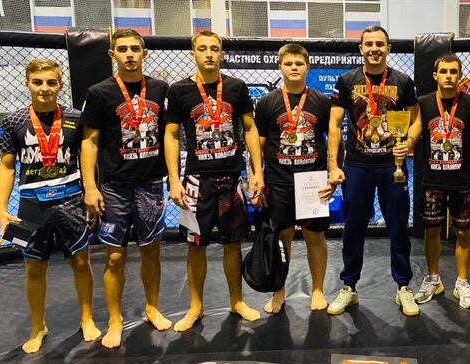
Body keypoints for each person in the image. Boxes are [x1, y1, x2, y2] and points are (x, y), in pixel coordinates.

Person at [165, 31, 264, 331]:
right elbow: (171, 135)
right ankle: (196, 306)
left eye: (214, 49)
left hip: (232, 178)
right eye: (202, 48)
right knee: (195, 246)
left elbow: (250, 128)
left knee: (233, 243)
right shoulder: (179, 90)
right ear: (192, 53)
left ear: (222, 54)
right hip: (197, 181)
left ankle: (236, 301)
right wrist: (173, 179)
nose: (209, 54)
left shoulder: (236, 87)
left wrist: (257, 171)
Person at [0, 58, 100, 353]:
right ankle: (38, 327)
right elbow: (7, 167)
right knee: (33, 267)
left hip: (71, 200)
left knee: (81, 261)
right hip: (30, 205)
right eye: (38, 82)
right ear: (27, 84)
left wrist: (91, 190)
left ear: (60, 85)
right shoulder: (12, 121)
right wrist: (1, 209)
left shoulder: (76, 117)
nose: (45, 88)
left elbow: (88, 157)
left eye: (51, 82)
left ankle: (87, 318)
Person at [81, 29, 170, 348]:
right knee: (115, 257)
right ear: (112, 55)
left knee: (151, 250)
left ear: (144, 53)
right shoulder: (99, 92)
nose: (129, 54)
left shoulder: (160, 89)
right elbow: (90, 142)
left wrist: (173, 177)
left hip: (150, 183)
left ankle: (152, 308)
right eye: (122, 49)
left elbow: (170, 135)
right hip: (115, 187)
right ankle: (115, 319)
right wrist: (90, 187)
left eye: (135, 48)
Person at [326, 26, 421, 316]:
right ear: (361, 49)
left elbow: (416, 120)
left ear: (388, 49)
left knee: (398, 227)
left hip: (392, 166)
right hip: (357, 165)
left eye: (380, 44)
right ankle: (349, 287)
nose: (374, 49)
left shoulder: (402, 81)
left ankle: (403, 286)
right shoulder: (347, 81)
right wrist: (333, 165)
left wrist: (408, 143)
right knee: (353, 228)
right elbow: (334, 125)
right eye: (369, 44)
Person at [254, 43, 334, 313]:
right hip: (278, 181)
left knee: (315, 236)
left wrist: (333, 173)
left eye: (299, 63)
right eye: (288, 64)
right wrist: (256, 175)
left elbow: (334, 138)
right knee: (281, 237)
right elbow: (258, 144)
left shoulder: (321, 101)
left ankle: (318, 289)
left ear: (308, 67)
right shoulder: (268, 102)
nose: (294, 68)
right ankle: (279, 291)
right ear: (280, 67)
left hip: (312, 181)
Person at [412, 54, 470, 309]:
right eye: (444, 71)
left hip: (462, 180)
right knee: (431, 231)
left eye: (453, 71)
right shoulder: (423, 102)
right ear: (435, 75)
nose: (448, 76)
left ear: (460, 75)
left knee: (463, 232)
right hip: (432, 179)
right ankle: (433, 279)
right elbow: (414, 128)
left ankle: (462, 282)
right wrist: (406, 142)